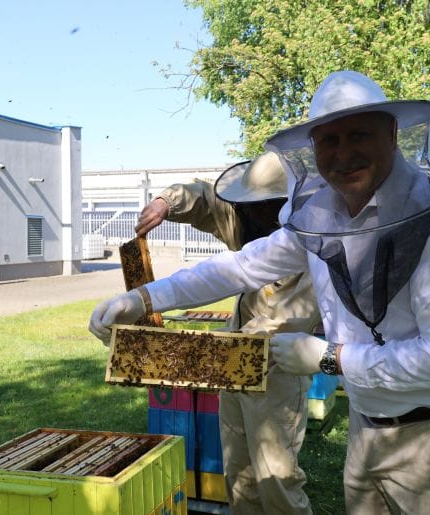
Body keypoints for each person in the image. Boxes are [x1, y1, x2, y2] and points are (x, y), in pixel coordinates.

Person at [90, 70, 430, 514]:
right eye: (328, 141)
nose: (344, 154)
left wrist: (328, 358)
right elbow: (240, 267)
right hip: (366, 424)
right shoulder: (321, 217)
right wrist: (144, 298)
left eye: (359, 135)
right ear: (310, 151)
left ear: (393, 134)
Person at [132, 153, 321, 514]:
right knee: (240, 474)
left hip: (277, 370)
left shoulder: (310, 241)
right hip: (234, 365)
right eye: (248, 206)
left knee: (277, 477)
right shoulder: (245, 215)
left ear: (286, 204)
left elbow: (283, 323)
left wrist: (209, 350)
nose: (250, 214)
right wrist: (164, 202)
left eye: (261, 207)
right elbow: (203, 197)